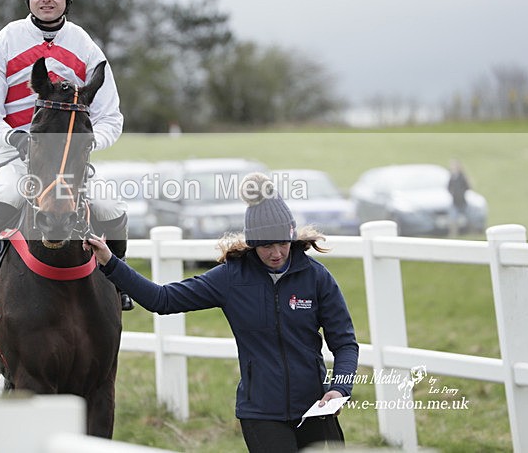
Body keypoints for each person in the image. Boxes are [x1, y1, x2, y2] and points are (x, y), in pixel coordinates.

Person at [85, 172, 359, 452]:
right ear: (253, 243)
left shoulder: (317, 277)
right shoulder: (231, 279)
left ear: (292, 234)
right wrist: (110, 261)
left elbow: (345, 343)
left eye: (282, 243)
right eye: (266, 245)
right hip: (262, 415)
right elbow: (162, 299)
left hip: (317, 408)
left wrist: (340, 389)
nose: (276, 253)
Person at [0, 0, 133, 315]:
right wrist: (12, 137)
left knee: (111, 209)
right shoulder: (4, 43)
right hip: (17, 152)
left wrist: (83, 143)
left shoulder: (86, 48)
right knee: (8, 199)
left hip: (70, 159)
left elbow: (111, 116)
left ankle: (119, 280)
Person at [447, 159, 470, 237]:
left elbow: (468, 187)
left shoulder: (462, 177)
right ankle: (453, 233)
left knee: (469, 217)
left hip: (462, 201)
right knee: (453, 218)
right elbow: (448, 187)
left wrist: (461, 192)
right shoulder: (452, 177)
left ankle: (470, 231)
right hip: (455, 201)